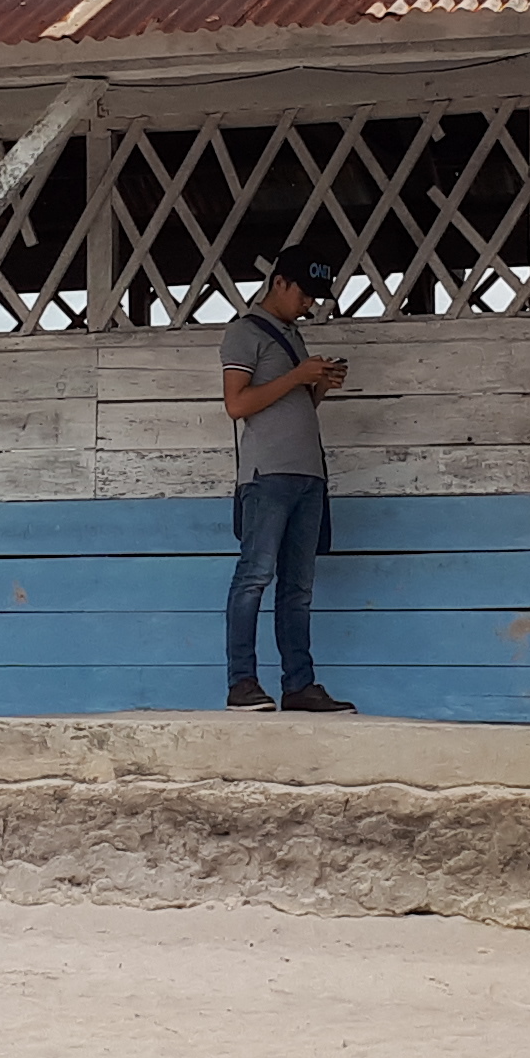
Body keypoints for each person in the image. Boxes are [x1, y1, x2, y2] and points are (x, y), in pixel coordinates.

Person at [219, 252, 355, 714]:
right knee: (254, 577)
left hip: (308, 474)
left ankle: (299, 684)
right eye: (304, 293)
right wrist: (298, 375)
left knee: (298, 588)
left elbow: (289, 409)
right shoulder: (244, 333)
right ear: (279, 282)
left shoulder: (294, 336)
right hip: (267, 475)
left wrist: (318, 387)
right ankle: (242, 683)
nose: (308, 303)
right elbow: (237, 405)